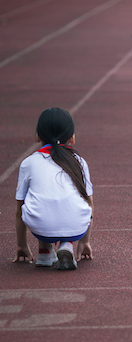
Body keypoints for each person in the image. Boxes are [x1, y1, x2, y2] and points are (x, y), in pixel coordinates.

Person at [13, 108, 94, 270]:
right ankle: (67, 245)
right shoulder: (79, 161)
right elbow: (89, 203)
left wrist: (22, 245)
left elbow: (19, 209)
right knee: (67, 201)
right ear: (72, 138)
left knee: (39, 199)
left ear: (37, 136)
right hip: (76, 226)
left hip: (41, 227)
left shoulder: (28, 163)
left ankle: (44, 252)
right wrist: (85, 241)